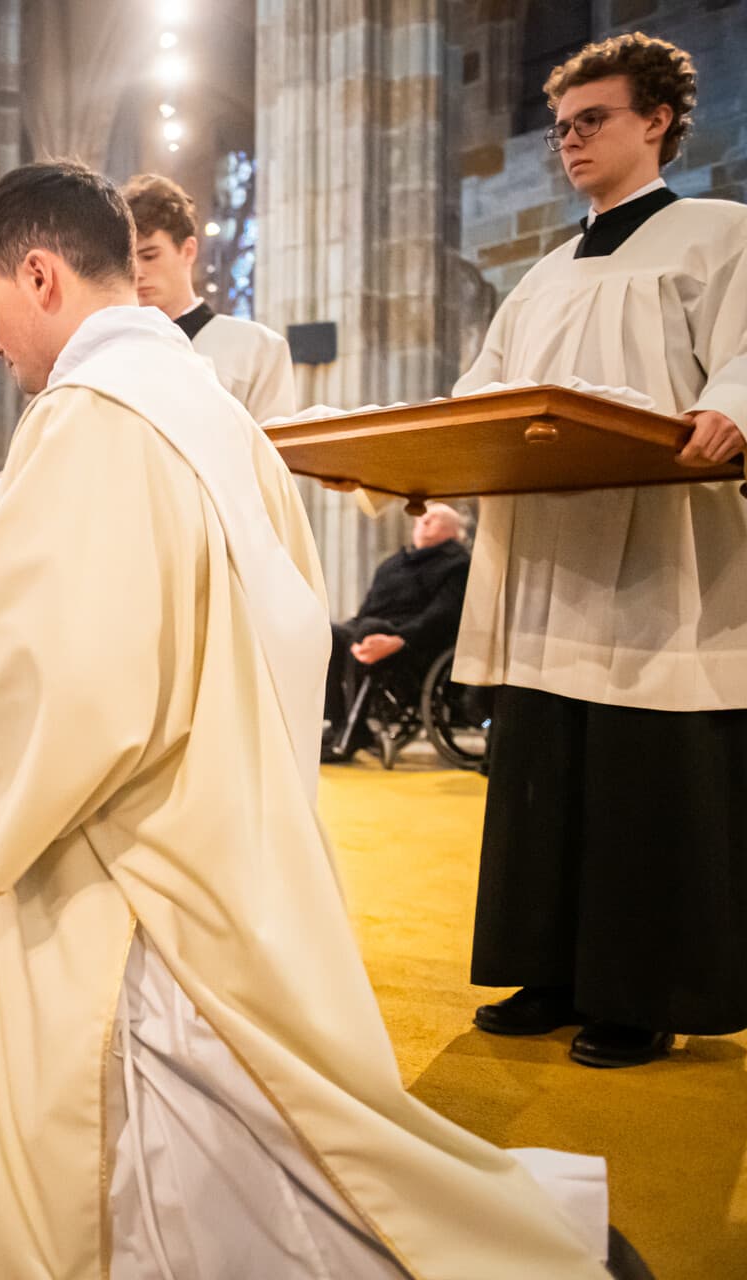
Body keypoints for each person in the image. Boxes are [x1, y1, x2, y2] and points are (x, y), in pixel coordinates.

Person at [0, 162, 609, 1280]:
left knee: (154, 1114)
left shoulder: (87, 421)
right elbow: (287, 618)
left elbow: (71, 684)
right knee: (248, 1111)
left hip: (131, 852)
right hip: (230, 814)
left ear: (40, 276)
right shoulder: (212, 410)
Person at [451, 34, 747, 1070]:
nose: (570, 141)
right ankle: (553, 972)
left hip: (659, 556)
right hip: (546, 564)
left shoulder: (719, 234)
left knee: (641, 777)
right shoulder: (538, 278)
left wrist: (731, 405)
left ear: (657, 119)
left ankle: (640, 990)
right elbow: (480, 396)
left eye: (593, 120)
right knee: (546, 770)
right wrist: (423, 462)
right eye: (561, 128)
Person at [124, 172, 297, 422]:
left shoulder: (258, 348)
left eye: (150, 256)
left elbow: (275, 444)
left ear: (188, 250)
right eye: (128, 261)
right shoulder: (117, 351)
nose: (138, 272)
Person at [323, 502, 472, 762]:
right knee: (330, 634)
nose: (423, 521)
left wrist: (400, 639)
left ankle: (350, 735)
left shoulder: (457, 564)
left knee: (370, 630)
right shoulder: (393, 564)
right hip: (370, 631)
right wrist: (346, 632)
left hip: (417, 647)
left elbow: (443, 615)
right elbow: (367, 610)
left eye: (434, 518)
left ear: (455, 531)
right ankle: (341, 725)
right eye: (421, 517)